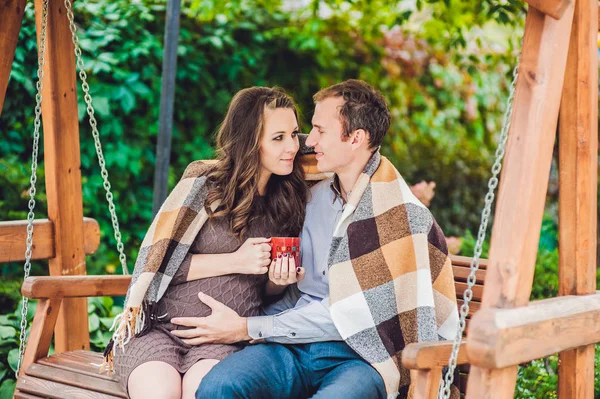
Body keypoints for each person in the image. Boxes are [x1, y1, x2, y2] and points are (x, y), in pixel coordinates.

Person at [177, 79, 460, 399]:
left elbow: (352, 314)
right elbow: (299, 292)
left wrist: (247, 328)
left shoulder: (397, 216)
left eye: (319, 130)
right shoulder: (313, 199)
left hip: (362, 355)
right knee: (218, 387)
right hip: (293, 345)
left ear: (356, 138)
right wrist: (276, 289)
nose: (308, 142)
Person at [103, 86, 309, 399]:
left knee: (207, 392)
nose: (292, 146)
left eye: (294, 134)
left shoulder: (288, 201)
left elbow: (264, 292)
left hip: (223, 338)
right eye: (278, 137)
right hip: (160, 330)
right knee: (159, 393)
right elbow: (159, 264)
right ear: (250, 141)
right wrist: (235, 260)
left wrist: (279, 281)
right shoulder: (205, 185)